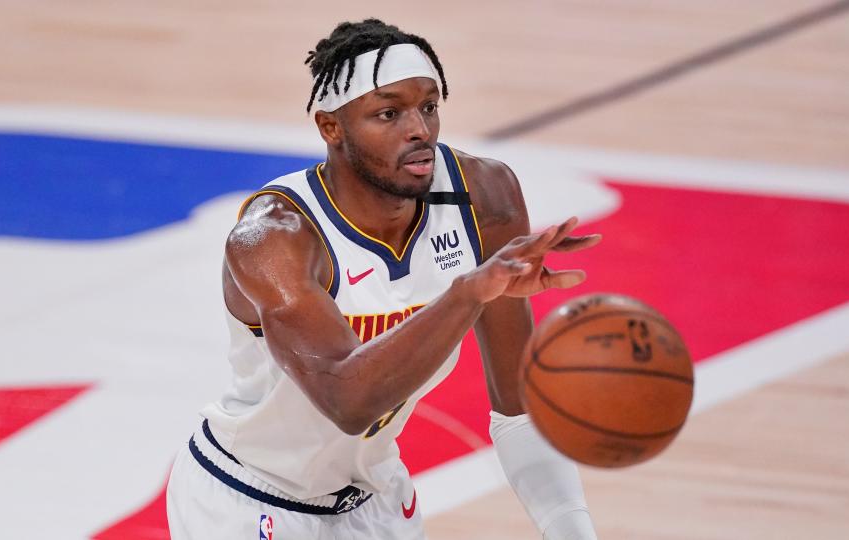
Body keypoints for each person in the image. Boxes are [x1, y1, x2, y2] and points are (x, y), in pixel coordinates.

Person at [166, 18, 601, 540]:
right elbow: (346, 401)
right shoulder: (275, 237)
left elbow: (520, 407)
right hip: (248, 499)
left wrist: (572, 530)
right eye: (389, 113)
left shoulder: (484, 195)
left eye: (429, 106)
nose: (419, 129)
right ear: (331, 128)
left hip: (374, 502)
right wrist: (466, 293)